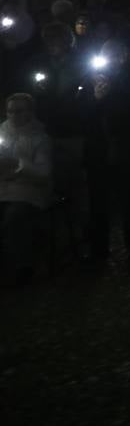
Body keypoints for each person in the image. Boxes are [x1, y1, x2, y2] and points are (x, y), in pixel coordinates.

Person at [85, 40, 130, 264]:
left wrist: (110, 96)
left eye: (116, 55)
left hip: (125, 147)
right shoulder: (90, 80)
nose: (112, 59)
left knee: (129, 200)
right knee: (98, 201)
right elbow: (81, 112)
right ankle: (99, 249)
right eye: (107, 55)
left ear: (124, 56)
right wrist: (95, 99)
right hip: (99, 148)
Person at [0, 93, 53, 286]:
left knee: (15, 217)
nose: (14, 115)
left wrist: (20, 166)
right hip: (3, 189)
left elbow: (44, 174)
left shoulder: (40, 138)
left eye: (19, 111)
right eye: (10, 111)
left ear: (30, 112)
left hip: (28, 192)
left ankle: (21, 267)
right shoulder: (1, 132)